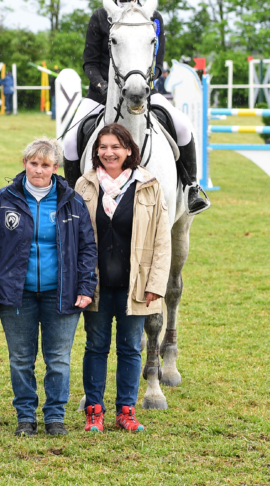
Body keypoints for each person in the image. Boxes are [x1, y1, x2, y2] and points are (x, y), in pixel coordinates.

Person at [64, 0, 209, 215]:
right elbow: (90, 63)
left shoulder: (154, 17)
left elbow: (157, 63)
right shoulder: (100, 17)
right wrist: (103, 87)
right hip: (101, 95)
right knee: (70, 140)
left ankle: (192, 187)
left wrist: (145, 83)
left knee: (183, 127)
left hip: (143, 92)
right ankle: (70, 198)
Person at [0, 138, 97, 437]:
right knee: (21, 359)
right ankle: (25, 417)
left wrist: (86, 287)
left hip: (63, 293)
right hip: (17, 294)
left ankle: (55, 417)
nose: (38, 170)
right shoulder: (5, 198)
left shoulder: (72, 201)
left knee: (58, 359)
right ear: (24, 164)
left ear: (55, 168)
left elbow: (87, 248)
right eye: (33, 163)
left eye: (45, 165)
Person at [75, 123, 170, 433]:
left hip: (136, 285)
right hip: (96, 285)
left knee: (130, 349)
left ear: (129, 150)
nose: (109, 152)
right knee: (96, 347)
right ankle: (94, 410)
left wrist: (156, 283)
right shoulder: (84, 184)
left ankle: (126, 411)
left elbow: (162, 239)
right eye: (103, 147)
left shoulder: (149, 185)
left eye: (116, 146)